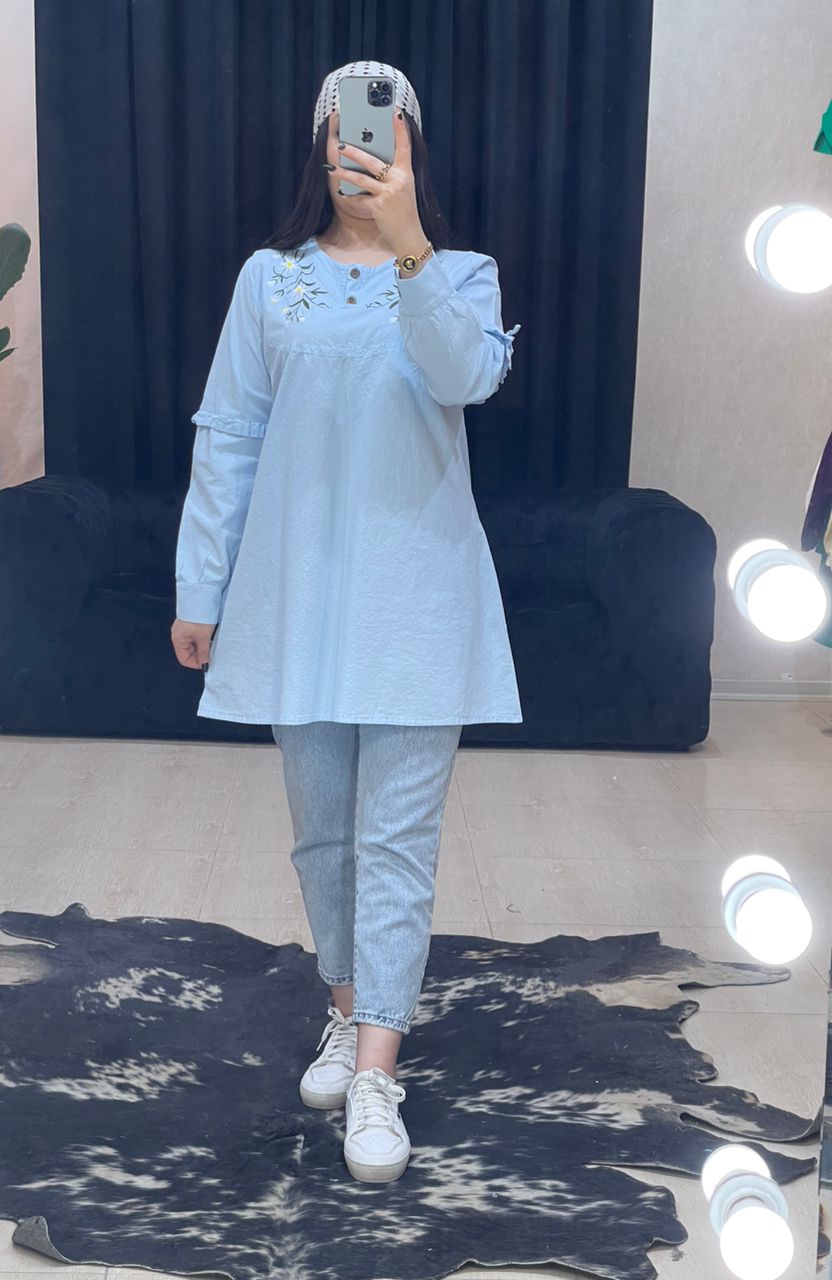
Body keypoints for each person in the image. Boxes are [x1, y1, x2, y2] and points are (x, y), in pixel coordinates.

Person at [171, 61, 523, 1184]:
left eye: (380, 131)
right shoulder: (269, 281)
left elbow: (464, 377)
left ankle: (378, 1067)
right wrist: (200, 584)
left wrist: (409, 241)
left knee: (397, 844)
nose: (357, 148)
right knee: (323, 836)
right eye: (340, 130)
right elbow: (229, 433)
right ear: (317, 146)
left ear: (411, 146)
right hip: (299, 602)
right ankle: (345, 1010)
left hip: (421, 602)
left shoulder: (459, 274)